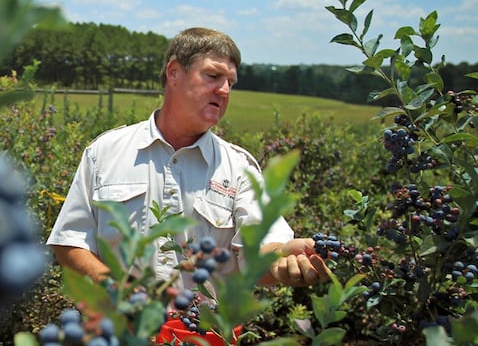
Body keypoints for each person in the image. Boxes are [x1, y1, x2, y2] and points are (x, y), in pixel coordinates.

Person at [46, 27, 330, 294]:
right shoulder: (105, 152)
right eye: (212, 76)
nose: (224, 90)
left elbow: (259, 256)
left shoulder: (239, 168)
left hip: (201, 342)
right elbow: (69, 243)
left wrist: (281, 258)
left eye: (230, 82)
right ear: (173, 72)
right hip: (118, 337)